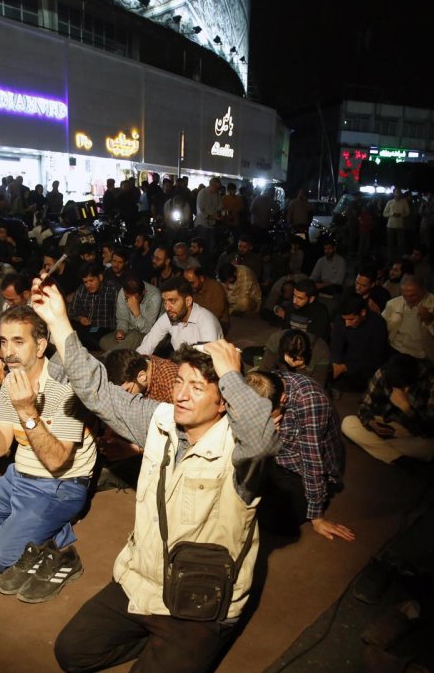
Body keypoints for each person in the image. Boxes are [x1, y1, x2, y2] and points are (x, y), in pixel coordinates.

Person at [29, 277, 280, 672]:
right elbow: (96, 389)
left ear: (223, 401)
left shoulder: (241, 448)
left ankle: (195, 643)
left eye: (197, 388)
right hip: (143, 580)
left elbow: (264, 438)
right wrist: (59, 322)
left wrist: (232, 375)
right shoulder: (159, 418)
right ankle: (155, 646)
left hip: (200, 602)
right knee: (73, 653)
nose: (180, 394)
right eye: (179, 381)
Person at [0, 306, 95, 603]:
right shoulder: (13, 380)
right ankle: (28, 525)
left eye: (18, 342)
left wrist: (27, 410)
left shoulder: (66, 387)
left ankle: (45, 531)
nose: (8, 351)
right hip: (17, 480)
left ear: (41, 345)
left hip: (59, 487)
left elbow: (57, 461)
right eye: (4, 341)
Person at [245, 370, 353, 541]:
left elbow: (312, 461)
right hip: (272, 458)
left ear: (282, 399)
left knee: (277, 521)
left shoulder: (310, 400)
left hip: (299, 466)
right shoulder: (258, 386)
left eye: (268, 417)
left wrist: (317, 517)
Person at [342, 354, 434, 464]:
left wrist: (407, 409)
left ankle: (383, 450)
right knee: (348, 423)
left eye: (407, 387)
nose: (405, 390)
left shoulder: (433, 382)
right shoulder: (385, 373)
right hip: (386, 424)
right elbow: (365, 405)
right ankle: (398, 457)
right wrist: (370, 422)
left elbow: (428, 431)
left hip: (411, 433)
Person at [137, 278, 224, 356]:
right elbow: (146, 346)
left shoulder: (207, 321)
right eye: (165, 302)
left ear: (188, 301)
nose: (167, 307)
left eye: (172, 301)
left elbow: (207, 361)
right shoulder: (169, 316)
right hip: (183, 366)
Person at [383, 275, 434, 368]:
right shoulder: (393, 303)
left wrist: (429, 322)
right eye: (405, 296)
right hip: (396, 351)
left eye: (413, 295)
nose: (408, 300)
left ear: (423, 290)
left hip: (423, 357)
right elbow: (382, 327)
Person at [330, 294, 390, 392]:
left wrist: (346, 367)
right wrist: (335, 364)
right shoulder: (341, 320)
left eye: (351, 319)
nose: (347, 323)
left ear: (363, 312)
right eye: (345, 319)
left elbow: (376, 358)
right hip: (344, 363)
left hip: (365, 367)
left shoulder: (377, 324)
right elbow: (336, 346)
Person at [69, 263, 120, 350]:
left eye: (91, 280)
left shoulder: (113, 289)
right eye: (85, 282)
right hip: (86, 327)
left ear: (100, 277)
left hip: (105, 328)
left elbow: (119, 315)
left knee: (90, 337)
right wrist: (80, 318)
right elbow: (71, 311)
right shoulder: (81, 290)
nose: (88, 285)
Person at [103, 275, 160, 352]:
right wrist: (121, 331)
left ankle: (107, 357)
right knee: (104, 341)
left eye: (134, 298)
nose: (130, 300)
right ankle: (127, 351)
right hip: (129, 332)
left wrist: (137, 313)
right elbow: (122, 319)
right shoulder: (123, 292)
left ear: (143, 292)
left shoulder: (154, 296)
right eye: (127, 298)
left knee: (134, 337)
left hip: (147, 335)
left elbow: (147, 329)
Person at [183, 264, 229, 331]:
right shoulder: (188, 289)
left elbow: (216, 313)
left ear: (201, 278)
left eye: (192, 283)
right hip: (196, 322)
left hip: (218, 322)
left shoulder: (215, 287)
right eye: (187, 283)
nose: (189, 286)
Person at [383, 189, 410, 262]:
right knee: (390, 243)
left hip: (400, 225)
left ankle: (400, 259)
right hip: (390, 225)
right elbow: (384, 214)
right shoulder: (390, 202)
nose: (398, 194)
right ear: (394, 193)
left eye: (399, 192)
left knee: (400, 243)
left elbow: (408, 213)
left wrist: (401, 215)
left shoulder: (404, 202)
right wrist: (392, 214)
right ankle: (390, 259)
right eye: (397, 192)